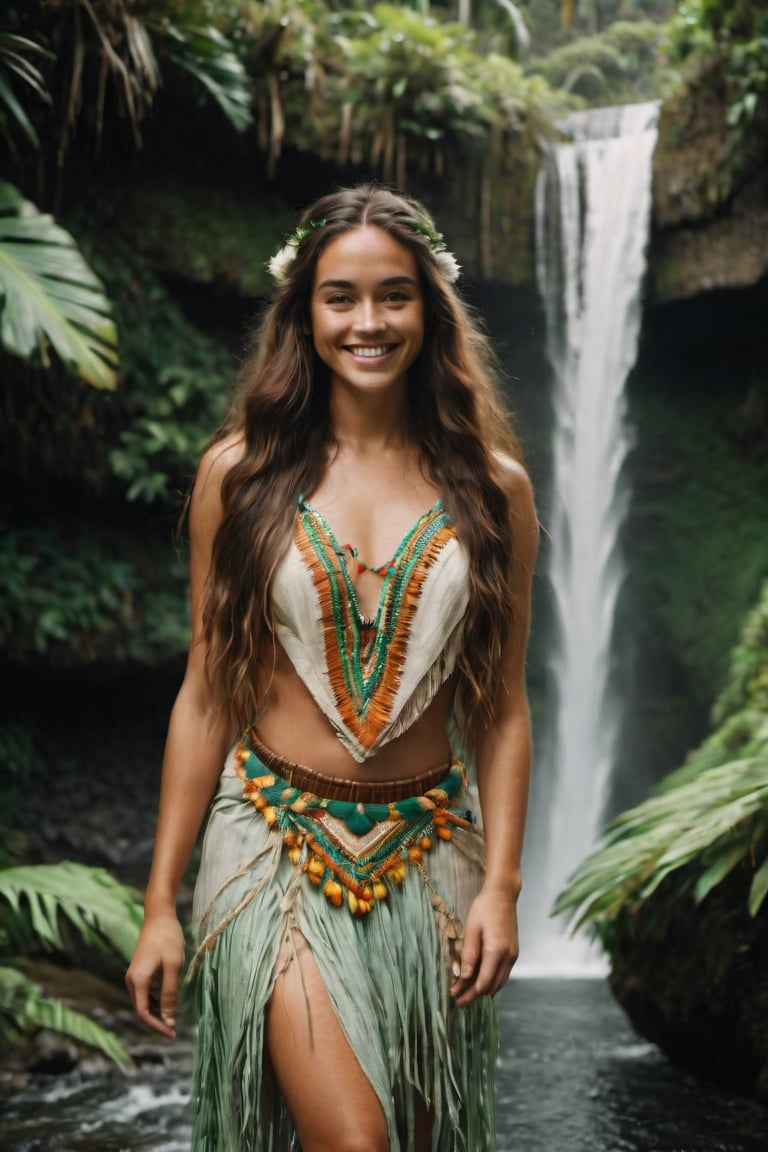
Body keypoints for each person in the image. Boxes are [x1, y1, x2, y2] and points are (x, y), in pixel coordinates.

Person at [125, 183, 538, 1152]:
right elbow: (203, 694)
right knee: (357, 1143)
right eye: (340, 296)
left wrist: (502, 888)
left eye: (394, 295)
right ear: (303, 313)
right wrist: (159, 907)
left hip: (434, 854)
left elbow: (507, 708)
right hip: (272, 845)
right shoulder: (240, 476)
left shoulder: (495, 490)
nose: (368, 321)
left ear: (430, 308)